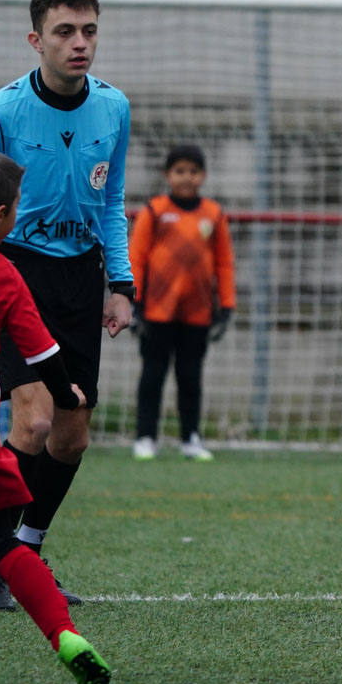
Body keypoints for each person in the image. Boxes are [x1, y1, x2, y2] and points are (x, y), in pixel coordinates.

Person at [0, 0, 133, 610]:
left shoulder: (114, 107)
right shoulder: (3, 112)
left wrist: (120, 283)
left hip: (78, 279)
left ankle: (25, 555)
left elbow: (111, 199)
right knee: (32, 421)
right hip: (13, 276)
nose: (79, 43)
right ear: (36, 40)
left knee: (71, 436)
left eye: (89, 30)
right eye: (65, 31)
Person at [0, 150, 111, 684]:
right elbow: (44, 353)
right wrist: (64, 389)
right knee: (3, 546)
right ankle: (67, 636)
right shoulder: (2, 273)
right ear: (1, 216)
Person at [129, 144, 236, 462]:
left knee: (190, 377)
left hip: (198, 312)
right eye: (179, 171)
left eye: (193, 171)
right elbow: (137, 257)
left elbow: (225, 263)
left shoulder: (213, 215)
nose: (186, 178)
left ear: (202, 175)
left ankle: (191, 437)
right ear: (167, 175)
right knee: (153, 374)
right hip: (157, 310)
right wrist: (134, 301)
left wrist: (227, 305)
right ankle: (146, 436)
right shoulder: (155, 211)